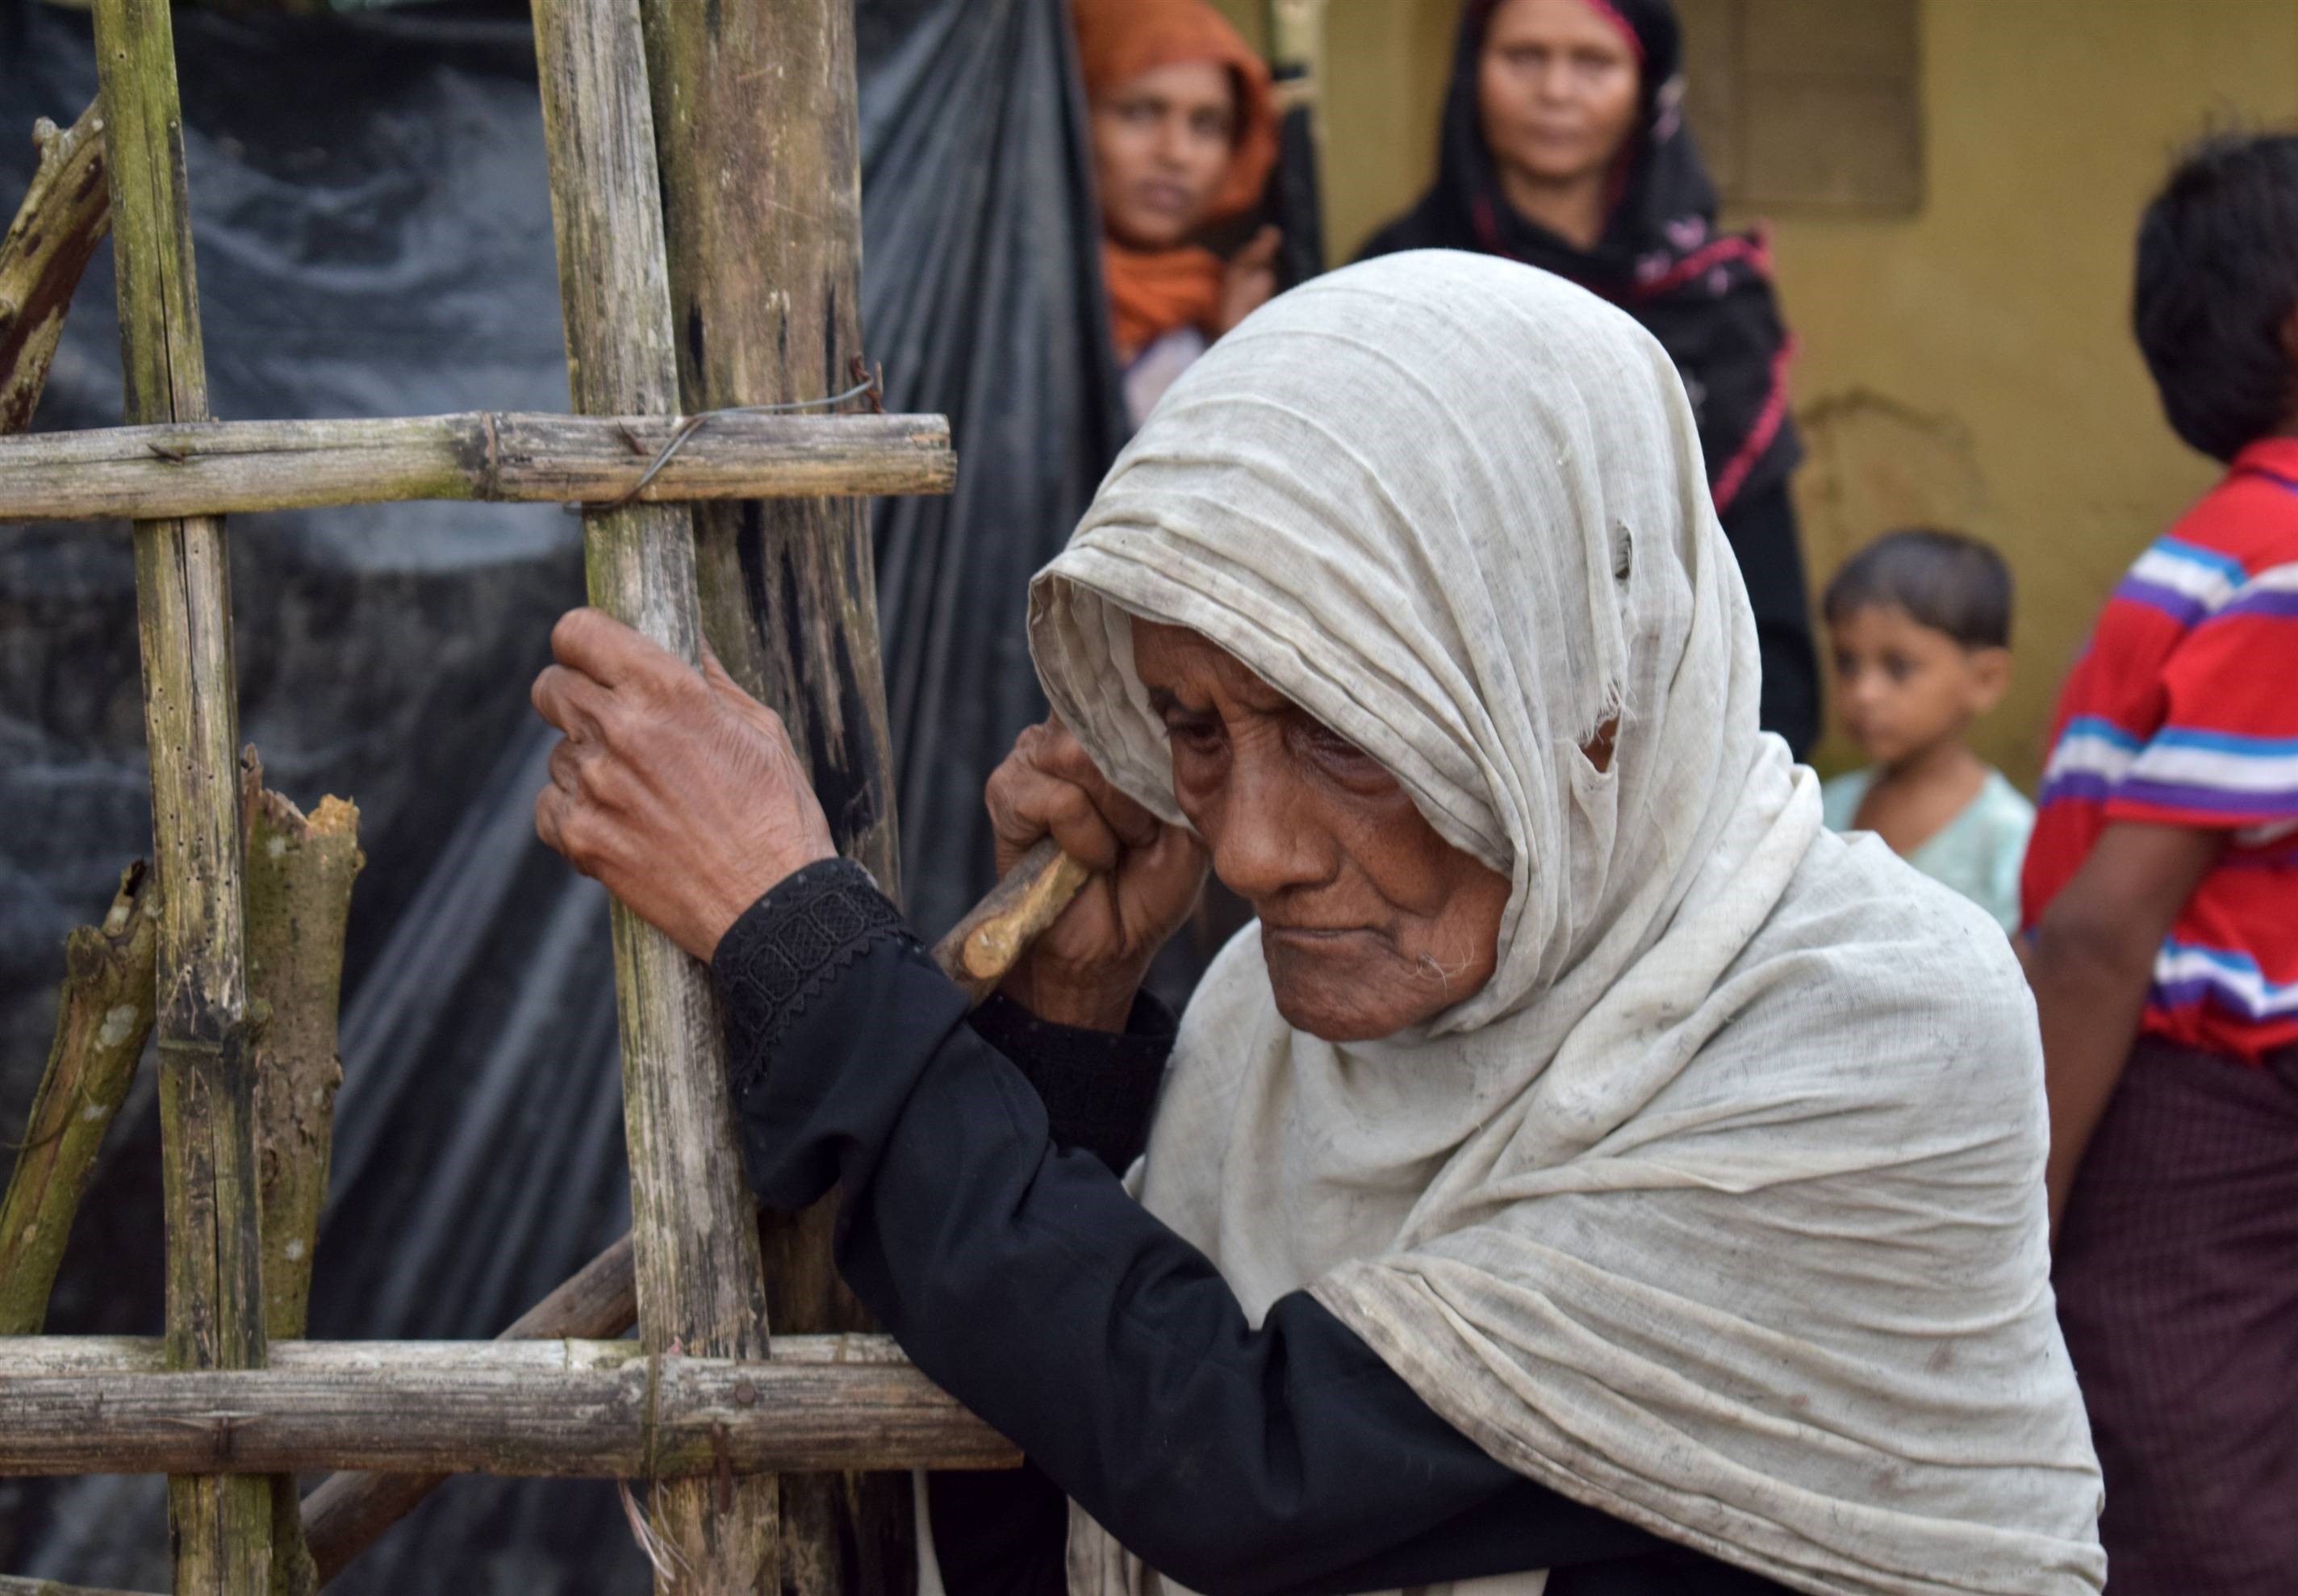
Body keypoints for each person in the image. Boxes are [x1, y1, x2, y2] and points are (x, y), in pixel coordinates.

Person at [530, 253, 2104, 1595]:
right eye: (1190, 728)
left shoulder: (1869, 1016)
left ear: (1582, 692)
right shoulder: (1263, 1034)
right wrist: (1066, 1032)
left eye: (1344, 731)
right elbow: (1060, 1515)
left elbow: (1241, 1462)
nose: (1251, 848)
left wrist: (800, 941)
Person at [2020, 133, 2298, 1596]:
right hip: (2190, 1131)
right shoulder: (2286, 557)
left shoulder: (2224, 542)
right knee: (2208, 1543)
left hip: (2203, 1125)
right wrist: (2014, 1223)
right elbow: (2095, 933)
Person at [1359, 0, 1819, 759]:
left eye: (1594, 63)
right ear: (1472, 71)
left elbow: (1763, 607)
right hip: (1430, 738)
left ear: (1648, 86)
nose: (1556, 90)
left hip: (1668, 748)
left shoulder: (1712, 307)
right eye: (1524, 57)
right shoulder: (1397, 278)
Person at [1075, 0, 1282, 428]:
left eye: (1207, 125)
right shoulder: (995, 295)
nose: (1177, 154)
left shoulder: (1226, 312)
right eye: (1139, 113)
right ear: (1073, 116)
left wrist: (1237, 355)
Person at [1819, 529, 2033, 932]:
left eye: (1898, 667)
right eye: (1847, 663)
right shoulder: (1823, 810)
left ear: (1985, 680)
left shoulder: (2007, 841)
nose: (1864, 692)